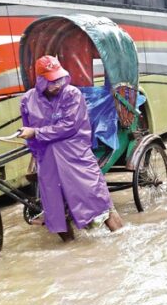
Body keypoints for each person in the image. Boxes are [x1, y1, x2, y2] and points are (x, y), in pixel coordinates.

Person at [17, 55, 123, 242]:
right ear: (41, 80)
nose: (57, 84)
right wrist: (36, 153)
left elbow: (70, 125)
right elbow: (29, 135)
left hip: (76, 157)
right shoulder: (28, 100)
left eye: (59, 78)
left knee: (98, 200)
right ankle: (71, 249)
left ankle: (122, 239)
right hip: (48, 161)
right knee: (55, 209)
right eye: (52, 81)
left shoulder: (72, 94)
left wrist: (36, 132)